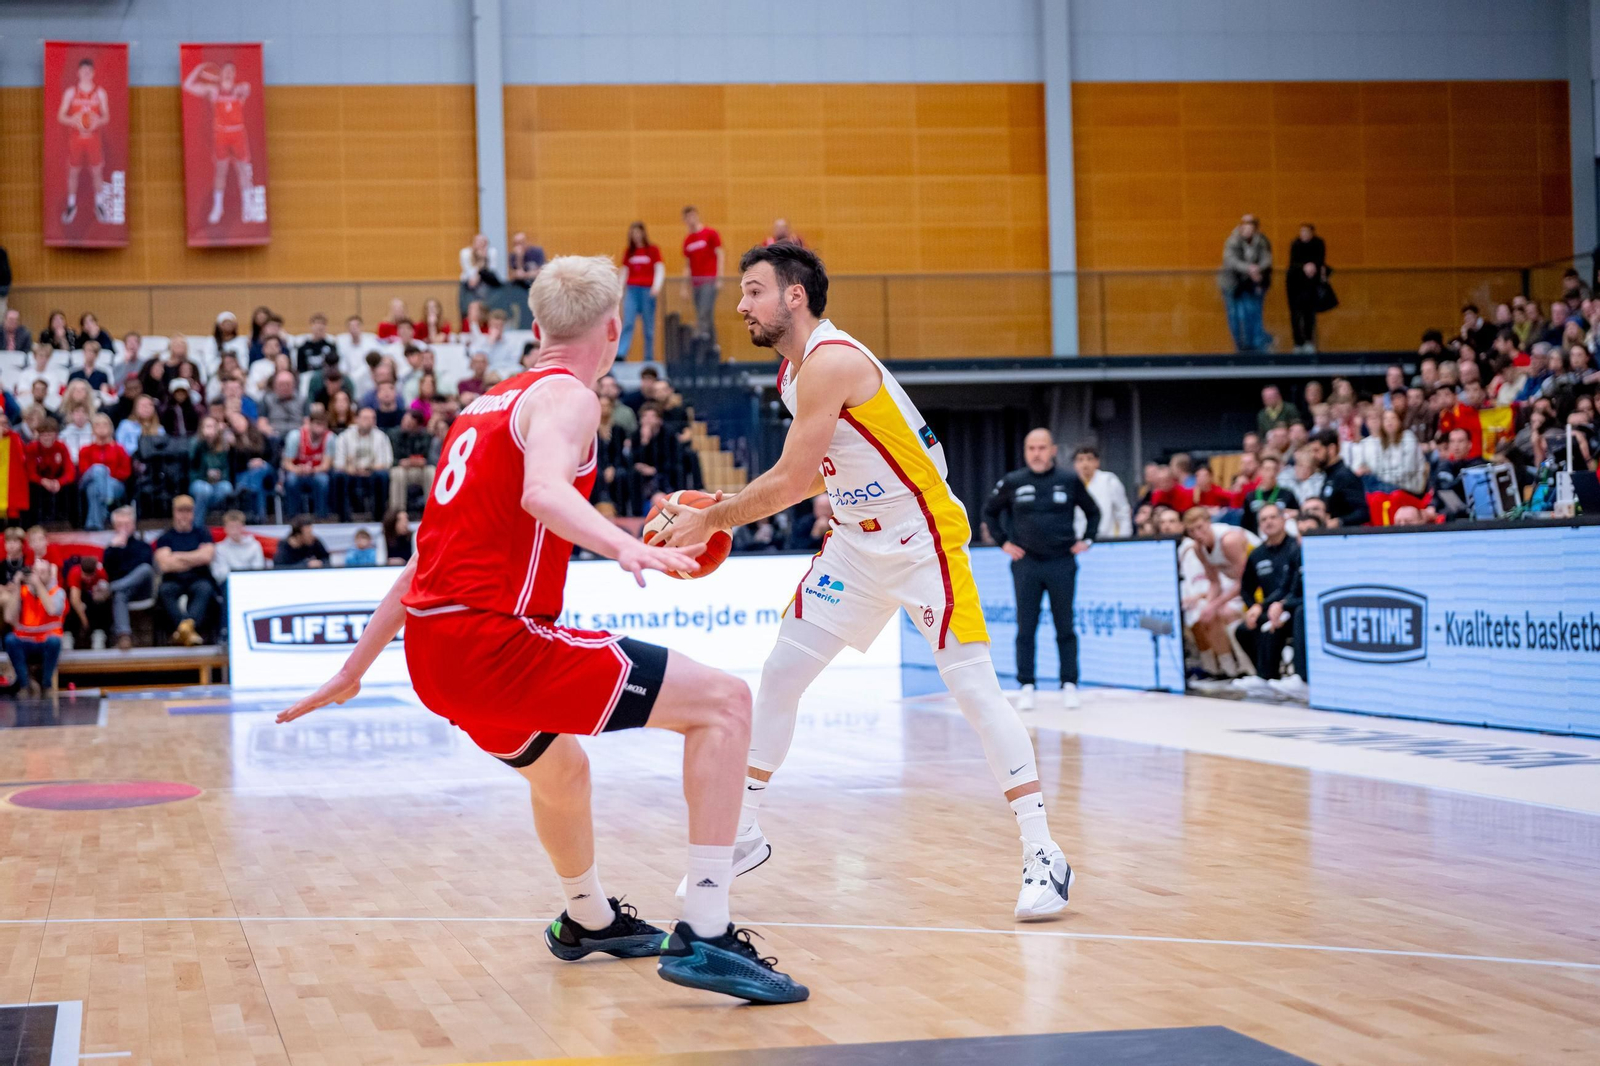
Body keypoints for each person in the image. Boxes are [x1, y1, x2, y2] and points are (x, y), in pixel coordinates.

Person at [277, 254, 809, 1004]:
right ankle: (710, 934)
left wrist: (355, 667)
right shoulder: (568, 398)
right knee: (724, 704)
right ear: (615, 329)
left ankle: (586, 917)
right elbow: (543, 492)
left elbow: (420, 564)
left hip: (434, 655)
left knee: (561, 769)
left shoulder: (482, 407)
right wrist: (628, 545)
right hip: (495, 645)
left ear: (535, 328)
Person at [658, 244, 1076, 921]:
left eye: (755, 290)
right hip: (856, 543)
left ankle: (1044, 852)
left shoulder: (833, 361)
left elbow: (793, 482)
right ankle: (741, 832)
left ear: (795, 296)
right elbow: (812, 472)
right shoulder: (793, 376)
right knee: (782, 674)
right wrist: (722, 504)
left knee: (972, 688)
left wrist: (715, 519)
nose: (741, 305)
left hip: (921, 536)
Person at [984, 428, 1100, 710]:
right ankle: (1027, 684)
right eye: (1031, 448)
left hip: (1062, 561)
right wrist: (1004, 543)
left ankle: (1069, 684)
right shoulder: (1013, 481)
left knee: (1065, 625)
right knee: (1026, 626)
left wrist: (1087, 540)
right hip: (1026, 563)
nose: (1036, 453)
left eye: (1041, 448)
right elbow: (989, 511)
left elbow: (1093, 511)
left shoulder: (1069, 479)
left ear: (1053, 450)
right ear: (1026, 452)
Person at [1231, 503, 1307, 698]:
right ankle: (1264, 674)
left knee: (1269, 623)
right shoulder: (1257, 554)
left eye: (1273, 517)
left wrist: (1272, 605)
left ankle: (1270, 675)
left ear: (1283, 520)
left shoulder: (1294, 548)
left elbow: (1288, 587)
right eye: (1263, 519)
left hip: (1290, 604)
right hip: (1271, 607)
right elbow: (1246, 587)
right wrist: (1252, 607)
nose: (1268, 522)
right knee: (1243, 630)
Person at [1179, 507, 1259, 678]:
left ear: (1209, 523)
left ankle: (1249, 670)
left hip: (1260, 582)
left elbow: (1246, 581)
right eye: (1192, 530)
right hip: (1238, 584)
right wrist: (1209, 606)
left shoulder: (1228, 541)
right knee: (1206, 615)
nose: (1197, 533)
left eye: (1200, 527)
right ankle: (1227, 669)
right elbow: (1214, 582)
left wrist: (1215, 604)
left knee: (1227, 613)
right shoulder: (1198, 548)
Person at [182, 60, 255, 227]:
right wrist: (198, 69)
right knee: (220, 172)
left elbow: (247, 88)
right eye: (226, 70)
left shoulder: (239, 90)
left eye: (232, 71)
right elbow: (187, 85)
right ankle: (218, 207)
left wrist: (241, 87)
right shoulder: (213, 91)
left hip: (237, 135)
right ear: (221, 73)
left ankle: (247, 207)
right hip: (221, 135)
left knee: (243, 171)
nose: (229, 73)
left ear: (234, 75)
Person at [155, 495, 218, 645]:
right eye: (180, 511)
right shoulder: (166, 537)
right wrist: (194, 557)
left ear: (193, 513)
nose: (184, 515)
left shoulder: (202, 533)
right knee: (165, 590)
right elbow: (165, 565)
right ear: (174, 512)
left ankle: (184, 629)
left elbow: (207, 557)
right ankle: (188, 629)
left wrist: (176, 556)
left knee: (205, 588)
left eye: (188, 511)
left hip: (198, 578)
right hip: (174, 580)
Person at [57, 57, 110, 225]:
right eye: (83, 71)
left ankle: (99, 205)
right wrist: (73, 120)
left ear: (93, 73)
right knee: (73, 172)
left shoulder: (100, 92)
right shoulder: (71, 92)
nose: (86, 74)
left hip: (94, 138)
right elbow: (60, 116)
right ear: (78, 73)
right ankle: (72, 206)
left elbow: (106, 116)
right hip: (76, 138)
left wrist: (97, 121)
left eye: (89, 71)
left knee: (97, 172)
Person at [3, 555, 65, 695]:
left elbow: (52, 609)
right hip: (25, 641)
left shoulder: (57, 592)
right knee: (10, 639)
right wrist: (17, 586)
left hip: (46, 641)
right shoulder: (23, 592)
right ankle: (25, 685)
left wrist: (38, 585)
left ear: (50, 575)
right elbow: (8, 617)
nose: (38, 576)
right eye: (36, 572)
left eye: (43, 572)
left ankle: (46, 685)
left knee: (55, 641)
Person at [102, 505, 154, 650]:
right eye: (120, 525)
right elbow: (108, 571)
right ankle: (124, 636)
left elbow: (144, 566)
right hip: (124, 591)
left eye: (126, 524)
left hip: (143, 589)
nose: (123, 528)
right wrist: (115, 548)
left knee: (145, 569)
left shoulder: (142, 545)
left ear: (133, 524)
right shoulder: (111, 548)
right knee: (120, 593)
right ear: (114, 526)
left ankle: (111, 589)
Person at [1219, 213, 1273, 352]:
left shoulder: (1261, 241)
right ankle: (1239, 345)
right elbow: (1230, 261)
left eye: (1251, 227)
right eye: (1245, 226)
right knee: (1235, 315)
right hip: (1232, 284)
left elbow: (1266, 258)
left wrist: (1257, 270)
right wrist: (1249, 269)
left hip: (1250, 284)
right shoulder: (1233, 241)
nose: (1248, 230)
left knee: (1251, 313)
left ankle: (1254, 344)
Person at [332, 406, 393, 521]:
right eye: (365, 418)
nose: (369, 421)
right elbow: (338, 463)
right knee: (339, 476)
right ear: (356, 419)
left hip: (372, 473)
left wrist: (367, 469)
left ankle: (378, 517)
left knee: (382, 476)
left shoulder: (381, 437)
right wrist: (350, 468)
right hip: (350, 473)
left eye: (372, 418)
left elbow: (386, 462)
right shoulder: (344, 437)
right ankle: (343, 518)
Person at [618, 222, 665, 362]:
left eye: (639, 232)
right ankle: (621, 353)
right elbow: (624, 271)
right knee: (628, 323)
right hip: (632, 290)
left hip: (647, 291)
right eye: (634, 233)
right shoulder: (629, 252)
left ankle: (649, 356)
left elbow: (659, 268)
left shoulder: (652, 250)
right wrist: (620, 290)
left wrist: (656, 287)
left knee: (648, 326)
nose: (636, 236)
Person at [76, 413, 130, 530]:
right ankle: (107, 499)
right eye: (98, 425)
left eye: (105, 424)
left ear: (111, 428)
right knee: (98, 469)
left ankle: (94, 525)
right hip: (89, 479)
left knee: (94, 489)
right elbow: (84, 470)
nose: (101, 428)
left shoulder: (119, 449)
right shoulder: (86, 450)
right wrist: (102, 473)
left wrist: (107, 478)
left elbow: (125, 472)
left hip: (114, 485)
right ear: (93, 429)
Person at [1308, 428, 1369, 527]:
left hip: (1345, 537)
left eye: (1317, 450)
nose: (1313, 456)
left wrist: (1339, 521)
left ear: (1331, 449)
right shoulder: (1328, 475)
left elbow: (1363, 513)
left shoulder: (1345, 476)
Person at [681, 206, 724, 344]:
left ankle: (701, 337)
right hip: (696, 283)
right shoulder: (688, 240)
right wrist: (684, 287)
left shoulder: (710, 233)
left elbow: (720, 255)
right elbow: (687, 265)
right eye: (688, 217)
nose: (691, 219)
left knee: (704, 311)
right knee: (706, 315)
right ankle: (713, 345)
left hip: (709, 280)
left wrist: (719, 277)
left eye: (693, 216)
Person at [281, 406, 334, 517]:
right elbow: (287, 463)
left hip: (316, 472)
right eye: (317, 424)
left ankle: (321, 516)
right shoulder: (296, 436)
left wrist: (312, 470)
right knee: (291, 480)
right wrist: (298, 469)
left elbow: (327, 464)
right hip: (297, 471)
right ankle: (292, 516)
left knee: (323, 480)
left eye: (323, 425)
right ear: (310, 423)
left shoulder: (329, 438)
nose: (320, 428)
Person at [1072, 445, 1130, 538]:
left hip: (1107, 540)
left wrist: (1124, 539)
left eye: (1089, 459)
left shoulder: (1109, 481)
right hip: (1079, 541)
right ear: (1075, 464)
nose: (1085, 464)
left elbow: (1123, 512)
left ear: (1097, 462)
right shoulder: (1070, 484)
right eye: (1080, 460)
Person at [1286, 223, 1327, 353]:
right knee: (1296, 314)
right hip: (1295, 285)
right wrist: (1304, 267)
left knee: (1309, 314)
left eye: (1306, 232)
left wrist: (1313, 266)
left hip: (1311, 285)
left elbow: (1320, 260)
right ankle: (1298, 342)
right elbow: (1292, 263)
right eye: (1302, 232)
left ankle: (1309, 341)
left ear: (1312, 233)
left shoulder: (1318, 243)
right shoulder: (1295, 244)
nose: (1304, 234)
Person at [26, 417, 76, 522]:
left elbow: (70, 471)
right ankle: (35, 522)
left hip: (57, 481)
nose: (46, 438)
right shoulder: (32, 448)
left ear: (55, 435)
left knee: (71, 487)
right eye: (43, 435)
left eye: (49, 434)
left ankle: (66, 521)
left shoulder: (61, 447)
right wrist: (42, 481)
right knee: (33, 488)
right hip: (39, 482)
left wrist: (59, 482)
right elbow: (30, 473)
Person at [387, 409, 434, 515]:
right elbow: (390, 459)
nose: (405, 425)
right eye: (404, 421)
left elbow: (431, 459)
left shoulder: (426, 436)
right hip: (402, 469)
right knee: (397, 473)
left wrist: (423, 462)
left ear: (417, 425)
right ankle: (398, 512)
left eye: (409, 424)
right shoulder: (394, 435)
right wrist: (401, 462)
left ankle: (431, 511)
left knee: (431, 471)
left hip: (420, 470)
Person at [1238, 455, 1299, 536]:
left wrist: (1294, 513)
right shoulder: (1251, 496)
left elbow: (1298, 515)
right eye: (1267, 469)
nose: (1271, 473)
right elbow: (1245, 524)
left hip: (1281, 537)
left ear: (1278, 472)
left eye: (1274, 469)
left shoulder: (1287, 494)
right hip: (1256, 538)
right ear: (1260, 471)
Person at [188, 414, 234, 521]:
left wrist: (220, 476)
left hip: (217, 483)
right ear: (202, 428)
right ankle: (197, 525)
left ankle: (204, 509)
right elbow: (192, 460)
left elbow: (226, 468)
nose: (210, 429)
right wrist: (203, 441)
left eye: (213, 426)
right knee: (205, 490)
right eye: (207, 426)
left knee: (227, 488)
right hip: (198, 481)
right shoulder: (195, 442)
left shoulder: (223, 444)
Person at [64, 555, 111, 651]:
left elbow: (106, 593)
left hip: (93, 600)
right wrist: (85, 621)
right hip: (77, 601)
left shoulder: (101, 573)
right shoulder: (75, 573)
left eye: (90, 575)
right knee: (69, 607)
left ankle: (99, 636)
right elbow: (75, 599)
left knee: (102, 606)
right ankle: (67, 638)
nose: (88, 578)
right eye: (85, 575)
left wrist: (101, 595)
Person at [211, 510, 264, 584]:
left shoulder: (255, 546)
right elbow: (218, 574)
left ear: (243, 527)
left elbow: (258, 570)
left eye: (237, 527)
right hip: (228, 584)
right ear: (225, 528)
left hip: (251, 583)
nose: (234, 531)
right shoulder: (219, 548)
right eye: (231, 527)